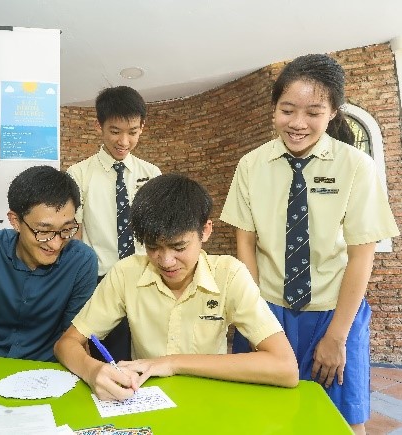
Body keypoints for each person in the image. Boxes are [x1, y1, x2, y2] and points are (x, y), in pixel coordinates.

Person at [220, 54, 399, 434]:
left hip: (334, 312)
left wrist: (337, 336)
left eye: (314, 112)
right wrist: (255, 321)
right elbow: (246, 245)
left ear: (333, 112)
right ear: (274, 109)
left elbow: (361, 255)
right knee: (259, 417)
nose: (298, 124)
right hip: (268, 309)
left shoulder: (355, 167)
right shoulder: (251, 166)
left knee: (342, 423)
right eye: (287, 110)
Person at [54, 174, 298, 401]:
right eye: (153, 247)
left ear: (205, 231)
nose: (166, 261)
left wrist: (171, 363)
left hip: (209, 399)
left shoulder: (229, 274)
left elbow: (285, 368)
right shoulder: (126, 273)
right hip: (144, 401)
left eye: (179, 247)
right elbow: (66, 344)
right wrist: (93, 371)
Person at [0, 165, 98, 362]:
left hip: (49, 370)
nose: (56, 244)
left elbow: (73, 336)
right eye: (43, 231)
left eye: (66, 229)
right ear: (15, 221)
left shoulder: (82, 261)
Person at [66, 85, 161, 361]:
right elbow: (75, 233)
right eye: (115, 131)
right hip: (100, 279)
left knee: (148, 353)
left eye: (133, 132)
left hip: (146, 277)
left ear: (142, 127)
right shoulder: (79, 174)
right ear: (100, 126)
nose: (124, 141)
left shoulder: (151, 173)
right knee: (109, 357)